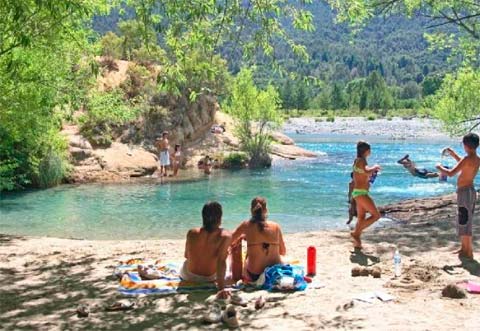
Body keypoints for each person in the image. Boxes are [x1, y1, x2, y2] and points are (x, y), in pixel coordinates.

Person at [437, 133, 480, 259]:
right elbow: (463, 164)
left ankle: (469, 251)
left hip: (465, 192)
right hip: (470, 191)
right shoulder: (476, 158)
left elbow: (451, 173)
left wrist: (439, 167)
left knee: (465, 220)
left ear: (466, 145)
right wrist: (453, 154)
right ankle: (463, 248)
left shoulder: (467, 159)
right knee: (464, 219)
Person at [182, 201, 232, 298]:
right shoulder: (225, 236)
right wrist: (221, 289)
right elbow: (221, 263)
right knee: (228, 255)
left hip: (188, 275)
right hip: (209, 278)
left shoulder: (191, 233)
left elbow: (186, 255)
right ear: (220, 218)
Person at [231, 197, 286, 282]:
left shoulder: (246, 225)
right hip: (275, 273)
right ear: (266, 210)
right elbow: (283, 252)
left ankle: (236, 278)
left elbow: (229, 240)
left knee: (236, 246)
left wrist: (241, 239)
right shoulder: (276, 226)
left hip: (254, 275)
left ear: (251, 210)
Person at [350, 141, 382, 249]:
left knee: (361, 217)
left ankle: (357, 240)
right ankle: (355, 233)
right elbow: (367, 171)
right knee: (376, 215)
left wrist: (372, 172)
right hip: (360, 193)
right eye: (370, 150)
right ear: (367, 151)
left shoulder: (358, 161)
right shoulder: (361, 161)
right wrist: (375, 167)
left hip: (360, 192)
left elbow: (364, 174)